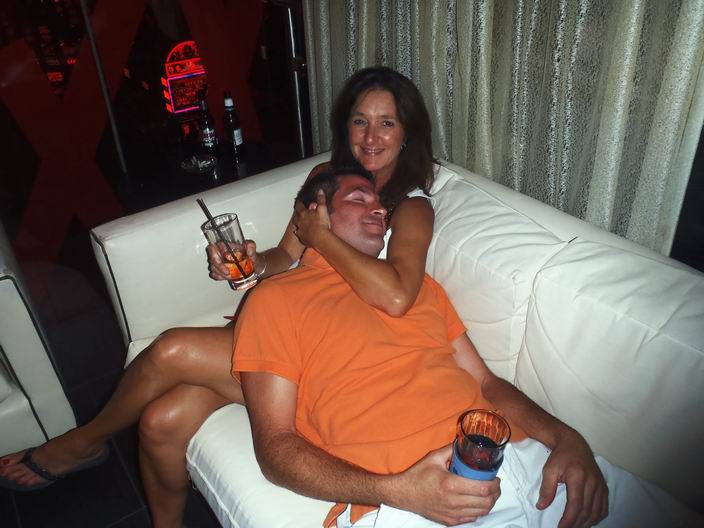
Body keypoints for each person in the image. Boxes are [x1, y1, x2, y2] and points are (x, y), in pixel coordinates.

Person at [0, 67, 438, 528]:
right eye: (360, 120)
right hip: (287, 323)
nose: (370, 137)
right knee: (161, 421)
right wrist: (250, 262)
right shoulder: (327, 178)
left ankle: (81, 443)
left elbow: (397, 296)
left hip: (337, 356)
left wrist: (322, 237)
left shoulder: (410, 207)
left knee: (171, 349)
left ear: (407, 133)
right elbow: (287, 256)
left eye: (386, 123)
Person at [236, 169, 698, 528]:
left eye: (380, 202)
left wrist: (566, 439)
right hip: (414, 498)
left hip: (523, 462)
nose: (378, 209)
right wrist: (396, 491)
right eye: (359, 199)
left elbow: (487, 383)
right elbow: (276, 448)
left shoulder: (417, 287)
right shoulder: (276, 300)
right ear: (314, 212)